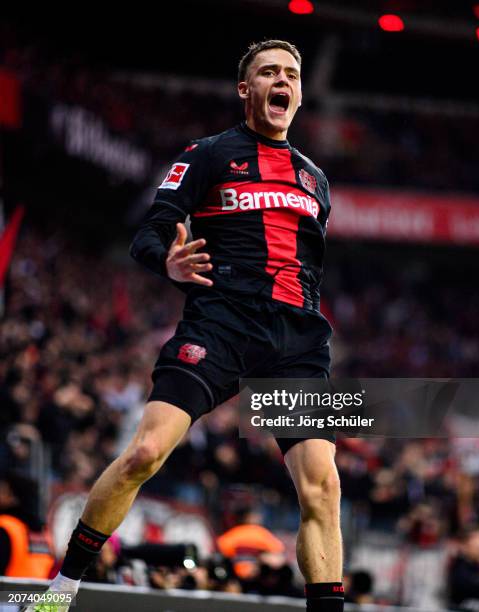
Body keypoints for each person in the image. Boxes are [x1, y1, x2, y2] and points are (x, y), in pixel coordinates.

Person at [24, 39, 343, 612]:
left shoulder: (316, 180)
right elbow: (149, 233)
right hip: (220, 324)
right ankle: (58, 592)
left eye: (292, 75)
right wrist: (168, 262)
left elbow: (308, 269)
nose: (283, 81)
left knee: (322, 485)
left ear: (297, 95)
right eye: (269, 72)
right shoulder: (206, 155)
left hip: (297, 342)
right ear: (245, 90)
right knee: (145, 453)